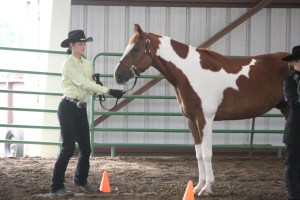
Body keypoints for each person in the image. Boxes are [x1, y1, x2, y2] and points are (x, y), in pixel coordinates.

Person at [50, 30, 124, 196]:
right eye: (79, 44)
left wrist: (97, 85)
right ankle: (56, 186)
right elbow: (83, 83)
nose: (82, 46)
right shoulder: (68, 65)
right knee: (68, 148)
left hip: (80, 108)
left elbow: (89, 85)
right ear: (72, 45)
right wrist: (109, 90)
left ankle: (81, 180)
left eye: (84, 44)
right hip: (68, 108)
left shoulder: (87, 63)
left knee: (86, 148)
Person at [282, 45, 300, 200]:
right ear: (293, 63)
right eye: (296, 60)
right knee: (292, 167)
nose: (298, 62)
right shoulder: (289, 81)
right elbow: (293, 101)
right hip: (295, 131)